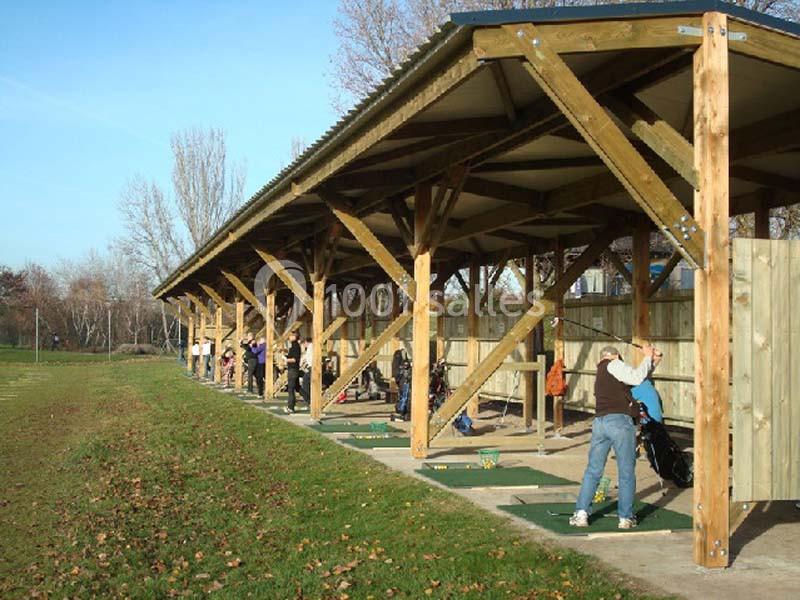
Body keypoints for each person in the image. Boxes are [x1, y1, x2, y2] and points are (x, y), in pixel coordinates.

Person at [570, 344, 661, 530]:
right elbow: (636, 377)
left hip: (600, 423)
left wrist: (652, 360)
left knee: (593, 470)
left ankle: (581, 514)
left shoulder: (603, 372)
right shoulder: (613, 364)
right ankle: (625, 517)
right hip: (619, 423)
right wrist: (646, 356)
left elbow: (636, 379)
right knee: (626, 472)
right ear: (616, 356)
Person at [285, 331, 308, 413]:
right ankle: (310, 400)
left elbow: (295, 359)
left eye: (290, 336)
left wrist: (286, 359)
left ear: (294, 337)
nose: (289, 337)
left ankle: (290, 407)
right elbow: (291, 356)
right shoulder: (293, 346)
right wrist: (285, 355)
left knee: (291, 389)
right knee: (297, 387)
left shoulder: (295, 346)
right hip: (294, 369)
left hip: (293, 370)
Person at [300, 336, 313, 402]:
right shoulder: (310, 348)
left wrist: (303, 363)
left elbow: (307, 358)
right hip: (310, 367)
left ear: (305, 342)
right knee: (306, 381)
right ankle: (308, 397)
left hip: (312, 368)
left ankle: (307, 398)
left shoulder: (310, 347)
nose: (303, 346)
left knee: (305, 381)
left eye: (303, 344)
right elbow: (306, 358)